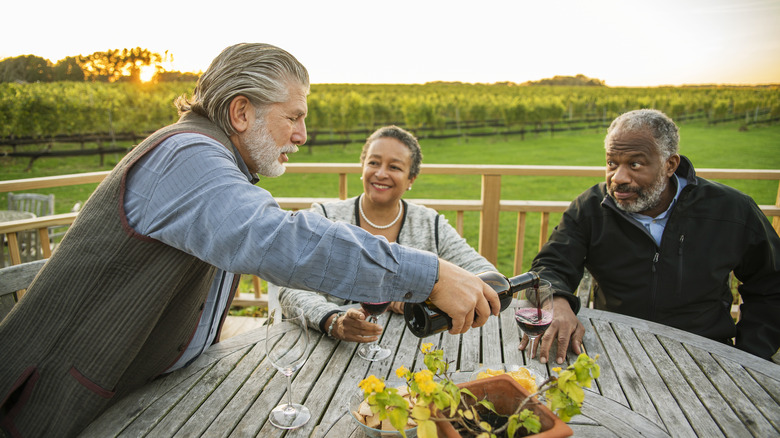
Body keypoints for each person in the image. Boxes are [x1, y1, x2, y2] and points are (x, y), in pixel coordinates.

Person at [0, 43, 499, 438]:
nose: (304, 134)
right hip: (64, 401)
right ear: (242, 113)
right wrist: (427, 274)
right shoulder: (188, 156)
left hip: (136, 389)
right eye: (295, 116)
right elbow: (274, 238)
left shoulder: (215, 162)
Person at [524, 108, 780, 365]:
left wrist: (750, 357)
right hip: (615, 352)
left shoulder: (732, 210)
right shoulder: (590, 208)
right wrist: (555, 300)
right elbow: (550, 266)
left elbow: (771, 285)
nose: (619, 177)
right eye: (612, 163)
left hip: (705, 356)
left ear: (670, 165)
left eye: (635, 164)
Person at [278, 126, 497, 341]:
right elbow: (289, 287)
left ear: (411, 179)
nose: (381, 173)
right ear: (362, 167)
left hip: (414, 348)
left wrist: (426, 292)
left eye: (394, 167)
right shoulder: (326, 217)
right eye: (373, 163)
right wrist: (333, 321)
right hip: (328, 349)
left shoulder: (431, 224)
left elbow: (482, 273)